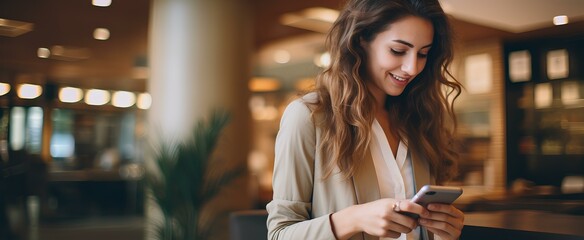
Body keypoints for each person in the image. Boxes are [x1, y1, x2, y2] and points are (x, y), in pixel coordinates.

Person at [266, 0, 465, 239]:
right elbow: (280, 233)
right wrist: (354, 219)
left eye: (423, 53)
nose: (412, 67)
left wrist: (445, 231)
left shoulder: (419, 120)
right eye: (398, 51)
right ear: (361, 40)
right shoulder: (308, 116)